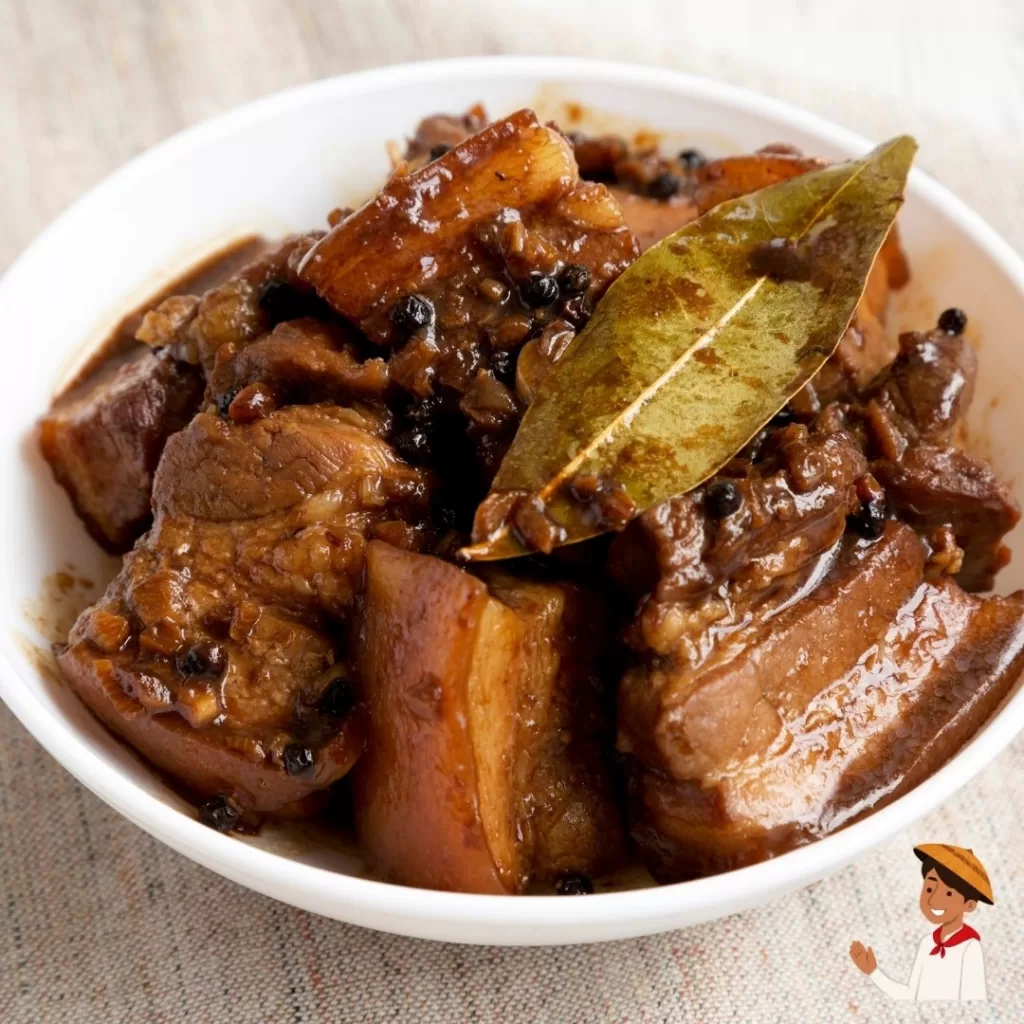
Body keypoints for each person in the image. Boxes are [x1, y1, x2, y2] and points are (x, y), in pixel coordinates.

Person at [849, 844, 993, 1001]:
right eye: (930, 889)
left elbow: (975, 1001)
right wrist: (873, 972)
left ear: (969, 905)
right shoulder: (927, 943)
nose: (932, 900)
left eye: (948, 893)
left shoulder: (970, 947)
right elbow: (912, 995)